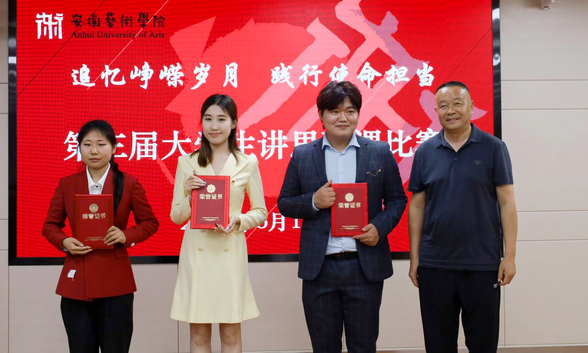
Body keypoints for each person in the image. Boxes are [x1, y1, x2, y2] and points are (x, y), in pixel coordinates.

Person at [278, 81, 407, 353]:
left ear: (358, 114)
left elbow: (397, 199)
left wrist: (379, 228)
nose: (343, 117)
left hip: (363, 266)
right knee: (324, 347)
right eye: (335, 111)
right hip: (320, 269)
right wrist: (313, 201)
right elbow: (285, 203)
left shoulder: (379, 151)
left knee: (364, 346)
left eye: (350, 111)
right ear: (321, 115)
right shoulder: (303, 155)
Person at [408, 81, 518, 353]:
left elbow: (506, 202)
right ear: (436, 111)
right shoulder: (425, 152)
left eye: (457, 103)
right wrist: (415, 258)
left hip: (482, 264)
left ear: (471, 106)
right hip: (435, 265)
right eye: (443, 105)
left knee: (482, 345)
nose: (451, 110)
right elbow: (417, 206)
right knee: (438, 344)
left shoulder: (493, 147)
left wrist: (509, 256)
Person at [43, 119, 159, 353]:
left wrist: (125, 235)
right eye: (87, 144)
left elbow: (150, 223)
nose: (94, 150)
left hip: (116, 282)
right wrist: (64, 242)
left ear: (114, 148)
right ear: (79, 148)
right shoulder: (67, 184)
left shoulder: (129, 183)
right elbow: (50, 226)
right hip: (77, 283)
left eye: (101, 144)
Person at [170, 94, 268, 353]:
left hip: (229, 253)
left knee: (231, 333)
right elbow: (176, 216)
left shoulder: (247, 163)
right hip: (197, 254)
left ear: (234, 123)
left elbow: (260, 211)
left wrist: (239, 220)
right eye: (208, 119)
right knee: (199, 334)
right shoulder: (187, 162)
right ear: (201, 123)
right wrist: (190, 197)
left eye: (221, 119)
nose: (214, 126)